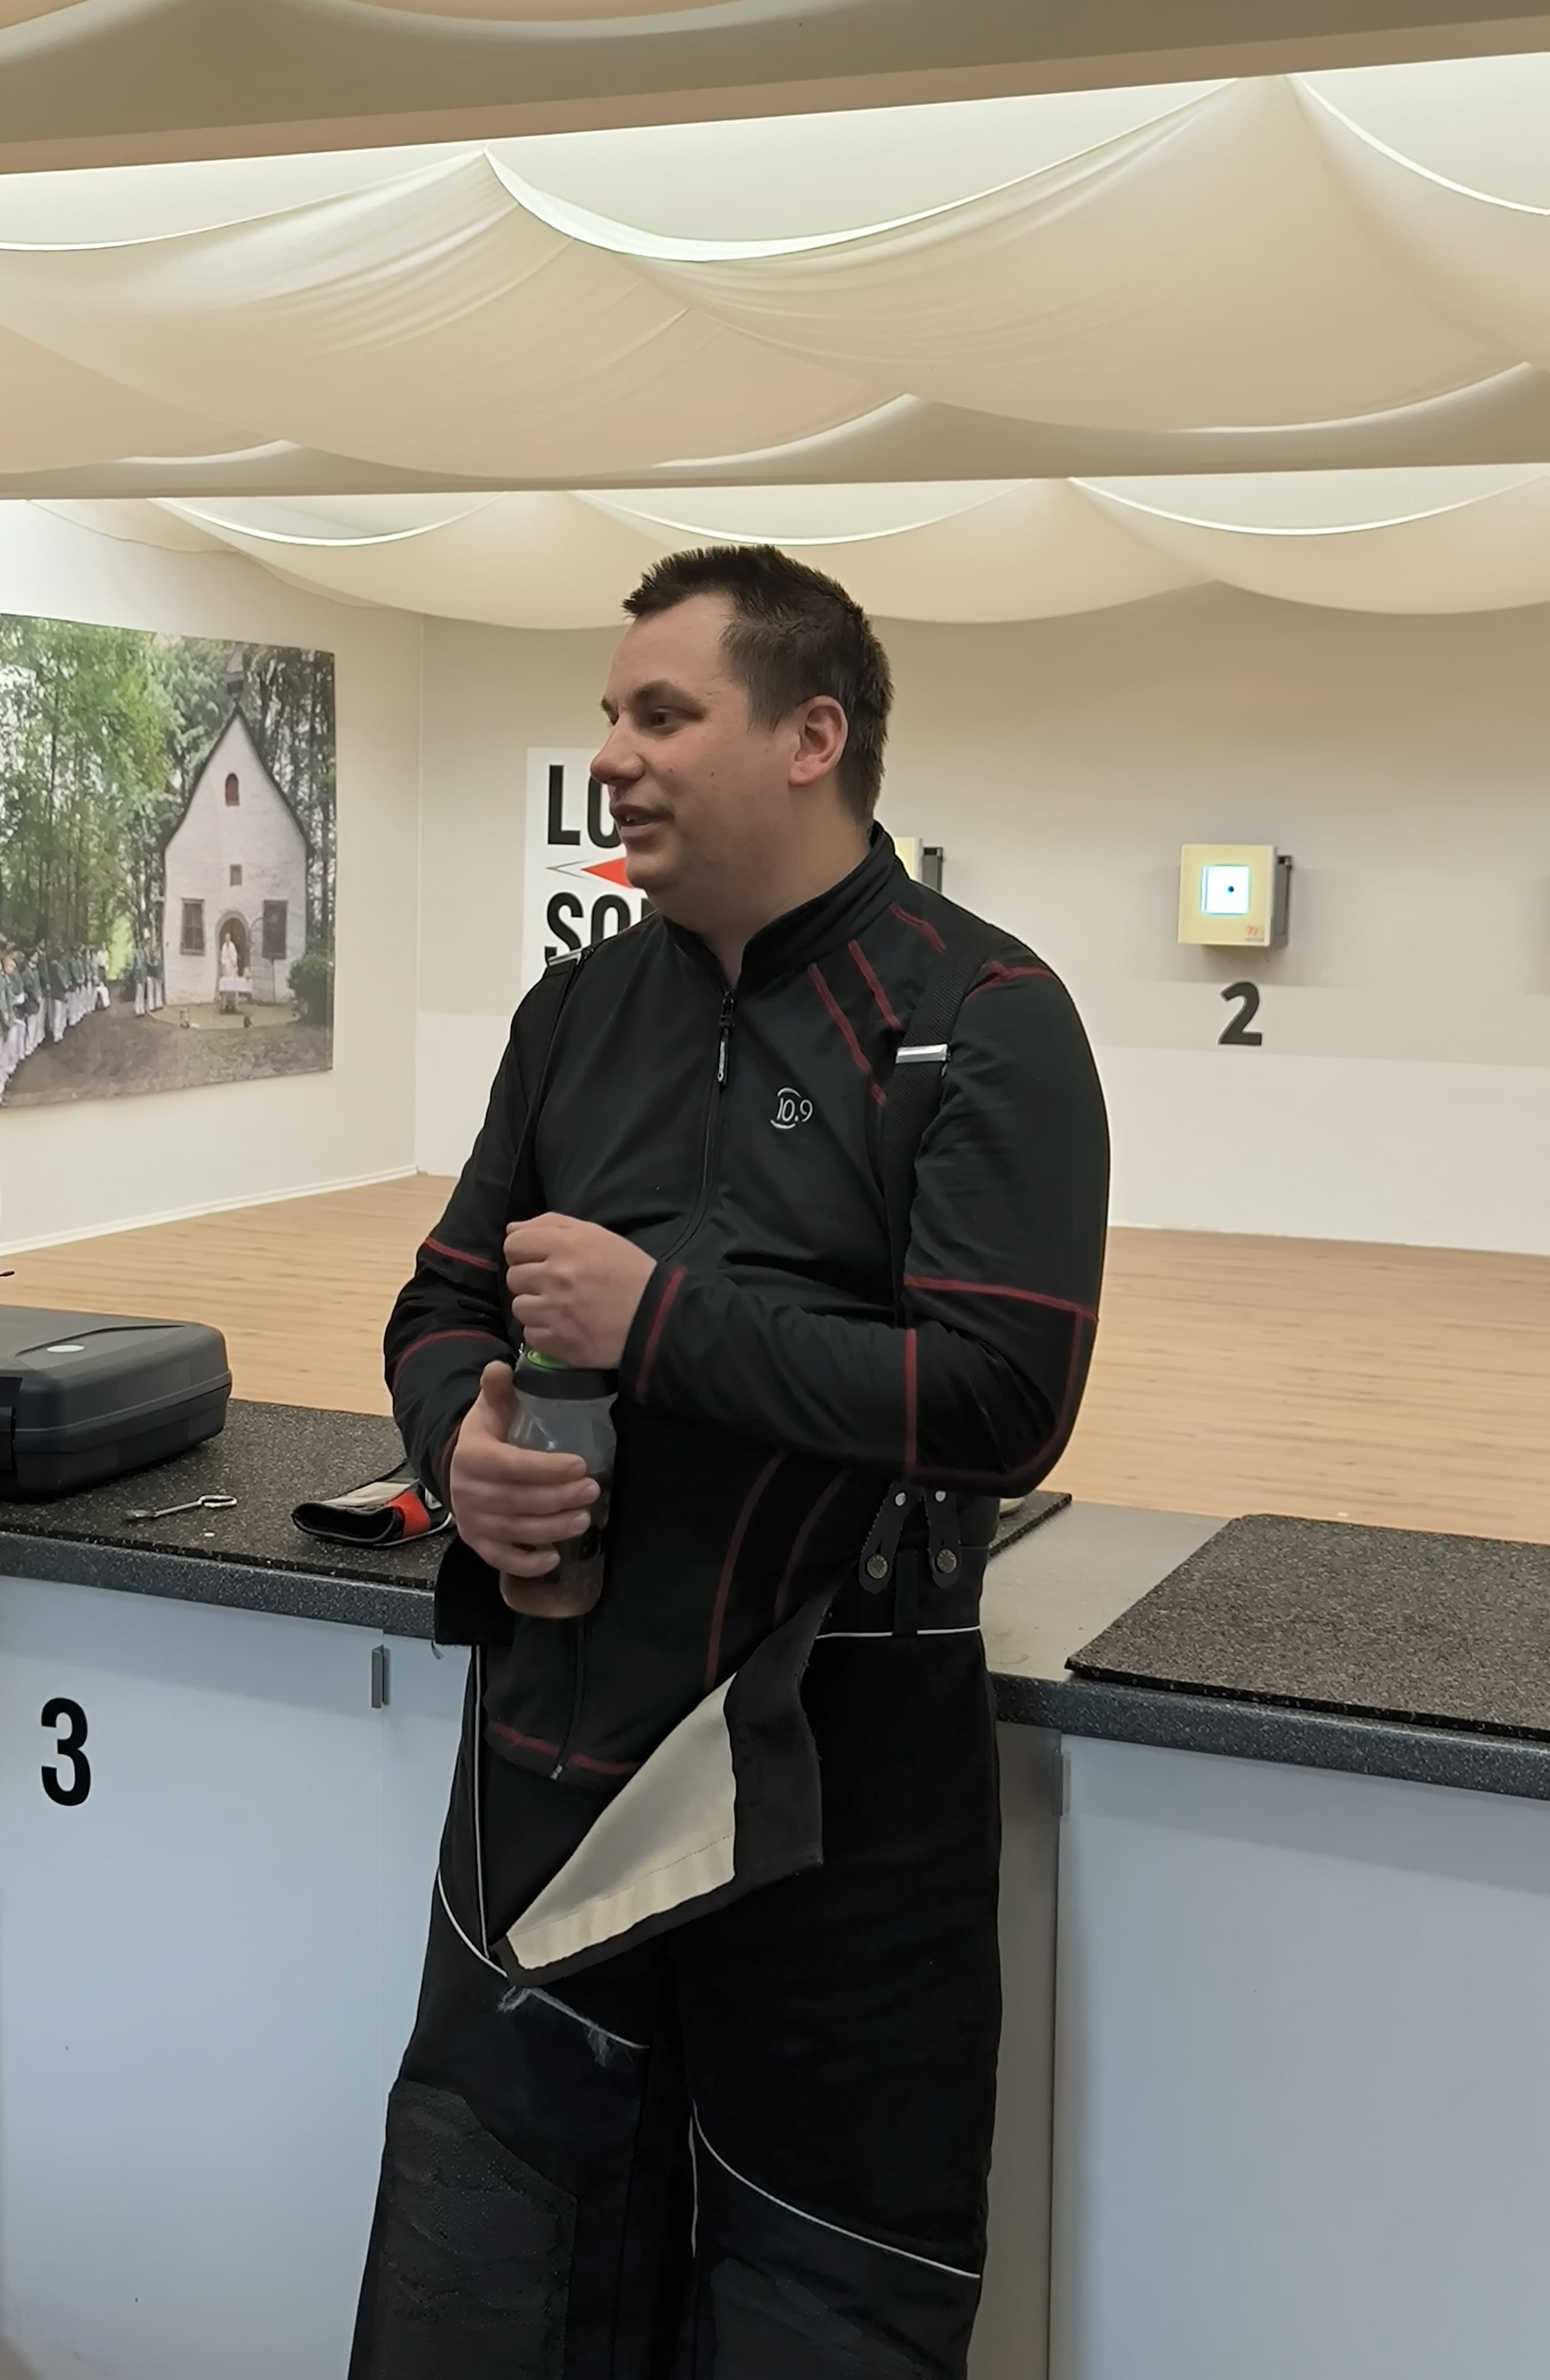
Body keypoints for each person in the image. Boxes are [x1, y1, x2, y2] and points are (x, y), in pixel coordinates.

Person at [354, 547, 1110, 2378]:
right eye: (609, 716)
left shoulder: (981, 1015)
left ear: (809, 736)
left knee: (820, 2310)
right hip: (551, 1764)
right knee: (487, 2286)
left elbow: (1004, 1397)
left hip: (838, 1796)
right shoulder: (574, 1017)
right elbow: (442, 1303)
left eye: (662, 714)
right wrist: (464, 1447)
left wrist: (658, 1324)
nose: (613, 754)